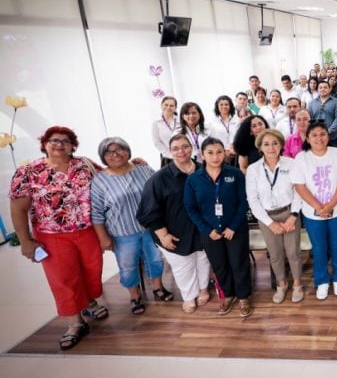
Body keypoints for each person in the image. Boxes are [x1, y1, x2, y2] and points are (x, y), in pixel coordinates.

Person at [9, 126, 110, 350]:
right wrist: (25, 241)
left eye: (65, 141)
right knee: (63, 277)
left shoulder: (84, 165)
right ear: (44, 143)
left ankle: (88, 301)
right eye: (53, 140)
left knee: (91, 270)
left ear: (73, 145)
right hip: (52, 235)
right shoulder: (29, 171)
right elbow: (18, 209)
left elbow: (109, 179)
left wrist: (135, 164)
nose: (59, 144)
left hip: (87, 230)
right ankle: (75, 322)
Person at [91, 137, 166, 315]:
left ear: (128, 151)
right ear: (103, 156)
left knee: (155, 259)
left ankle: (158, 287)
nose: (115, 154)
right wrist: (103, 237)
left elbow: (160, 190)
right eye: (109, 152)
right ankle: (134, 296)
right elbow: (96, 213)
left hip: (150, 228)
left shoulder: (143, 169)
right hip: (122, 233)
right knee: (127, 266)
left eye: (119, 149)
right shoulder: (100, 181)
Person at [137, 134, 212, 314]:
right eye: (176, 148)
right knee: (183, 266)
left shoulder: (205, 170)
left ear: (192, 148)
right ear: (169, 152)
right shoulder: (159, 178)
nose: (181, 151)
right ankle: (188, 296)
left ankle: (203, 289)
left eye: (185, 147)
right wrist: (163, 235)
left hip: (203, 230)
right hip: (174, 232)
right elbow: (148, 211)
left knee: (203, 260)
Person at [184, 138, 253, 317]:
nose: (215, 157)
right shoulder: (194, 179)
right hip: (210, 231)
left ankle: (244, 297)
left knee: (239, 263)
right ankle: (228, 295)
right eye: (210, 153)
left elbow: (244, 201)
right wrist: (207, 230)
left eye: (219, 152)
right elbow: (190, 208)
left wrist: (233, 226)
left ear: (225, 153)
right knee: (219, 265)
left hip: (234, 229)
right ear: (202, 155)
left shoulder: (235, 174)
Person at [292, 122, 337, 300]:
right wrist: (319, 207)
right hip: (312, 212)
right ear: (308, 138)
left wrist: (331, 205)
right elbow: (299, 186)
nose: (319, 138)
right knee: (319, 248)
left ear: (328, 136)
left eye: (323, 134)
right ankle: (322, 281)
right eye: (315, 135)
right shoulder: (302, 158)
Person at [246, 129, 305, 304]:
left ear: (281, 145)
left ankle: (297, 284)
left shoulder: (291, 164)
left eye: (275, 143)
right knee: (276, 254)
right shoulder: (253, 169)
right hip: (266, 217)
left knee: (294, 252)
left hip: (290, 213)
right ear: (260, 147)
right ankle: (281, 284)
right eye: (266, 144)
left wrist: (293, 216)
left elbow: (299, 191)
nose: (271, 147)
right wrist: (270, 223)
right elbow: (253, 199)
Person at [308, 80, 337, 147]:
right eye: (320, 87)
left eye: (325, 87)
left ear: (330, 89)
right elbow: (309, 118)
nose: (323, 89)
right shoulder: (312, 103)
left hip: (332, 137)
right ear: (318, 89)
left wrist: (328, 131)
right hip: (317, 137)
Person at [209, 95, 240, 163]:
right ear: (217, 106)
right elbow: (211, 139)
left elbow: (238, 136)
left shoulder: (237, 120)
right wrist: (223, 152)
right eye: (221, 104)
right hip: (219, 154)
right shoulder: (212, 122)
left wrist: (230, 150)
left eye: (226, 104)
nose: (224, 106)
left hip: (235, 154)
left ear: (230, 106)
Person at [152, 96, 179, 167]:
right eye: (166, 105)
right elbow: (156, 142)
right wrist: (170, 154)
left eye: (171, 105)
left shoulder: (181, 120)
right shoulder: (156, 123)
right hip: (167, 157)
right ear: (161, 106)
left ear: (175, 108)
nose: (168, 107)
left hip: (182, 154)